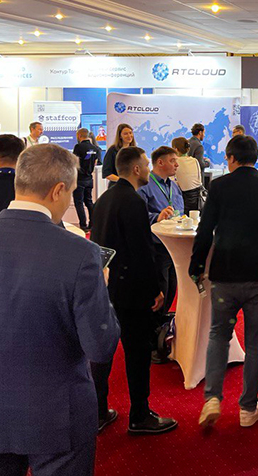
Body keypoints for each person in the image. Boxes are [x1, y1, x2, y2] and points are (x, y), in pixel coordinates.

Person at [0, 143, 120, 476]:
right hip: (58, 417)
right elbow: (100, 346)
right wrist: (101, 289)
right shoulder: (81, 253)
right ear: (58, 190)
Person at [192, 135, 258, 429]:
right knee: (256, 343)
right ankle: (247, 408)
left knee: (218, 335)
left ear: (231, 158)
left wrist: (196, 265)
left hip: (225, 274)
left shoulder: (219, 186)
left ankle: (212, 398)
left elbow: (205, 230)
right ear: (256, 157)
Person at [91, 146, 178, 435]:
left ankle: (99, 411)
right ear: (137, 169)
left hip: (107, 287)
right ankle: (140, 415)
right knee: (137, 353)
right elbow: (142, 251)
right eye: (147, 165)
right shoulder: (134, 201)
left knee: (102, 354)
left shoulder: (104, 199)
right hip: (132, 290)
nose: (149, 170)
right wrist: (155, 290)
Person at [137, 145, 184, 362]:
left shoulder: (174, 186)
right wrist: (157, 217)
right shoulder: (145, 186)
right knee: (159, 293)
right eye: (173, 160)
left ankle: (160, 334)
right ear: (160, 162)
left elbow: (180, 211)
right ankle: (150, 341)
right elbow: (137, 216)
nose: (177, 164)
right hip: (156, 246)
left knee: (172, 289)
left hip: (175, 247)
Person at [72, 128, 102, 231]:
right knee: (89, 201)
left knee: (79, 202)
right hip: (89, 178)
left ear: (79, 136)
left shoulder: (78, 147)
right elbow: (97, 162)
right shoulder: (95, 148)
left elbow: (74, 162)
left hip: (79, 179)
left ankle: (83, 225)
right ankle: (93, 224)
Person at [171, 137, 204, 213]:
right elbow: (199, 179)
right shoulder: (194, 160)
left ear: (175, 149)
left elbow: (172, 182)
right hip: (197, 198)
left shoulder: (175, 162)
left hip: (183, 199)